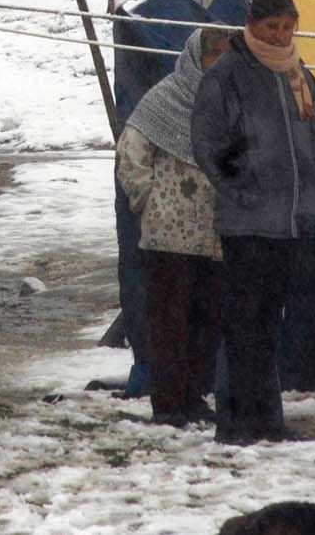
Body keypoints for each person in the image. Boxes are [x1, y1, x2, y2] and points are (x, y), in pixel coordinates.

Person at [191, 0, 315, 445]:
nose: (279, 35)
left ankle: (267, 422)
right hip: (247, 221)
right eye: (271, 26)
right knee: (242, 325)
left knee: (269, 324)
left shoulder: (297, 74)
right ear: (252, 24)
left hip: (290, 219)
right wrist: (242, 188)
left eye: (287, 27)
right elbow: (208, 143)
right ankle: (235, 425)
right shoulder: (228, 74)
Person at [116, 27, 230, 426]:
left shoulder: (230, 103)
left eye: (225, 56)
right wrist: (148, 197)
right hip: (166, 234)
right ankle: (168, 404)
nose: (218, 64)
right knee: (169, 322)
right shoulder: (166, 97)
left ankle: (195, 396)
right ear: (196, 57)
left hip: (212, 233)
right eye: (213, 55)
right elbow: (131, 150)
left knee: (205, 321)